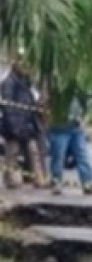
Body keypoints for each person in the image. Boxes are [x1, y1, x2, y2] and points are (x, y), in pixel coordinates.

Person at [0, 57, 46, 189]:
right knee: (12, 154)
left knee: (33, 152)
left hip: (27, 123)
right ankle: (11, 180)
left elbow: (30, 101)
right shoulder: (8, 83)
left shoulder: (25, 82)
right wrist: (14, 126)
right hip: (13, 125)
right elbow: (8, 107)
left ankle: (38, 178)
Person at [47, 83, 92, 195]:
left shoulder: (79, 86)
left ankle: (87, 182)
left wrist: (83, 117)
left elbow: (88, 101)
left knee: (82, 155)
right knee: (58, 156)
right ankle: (57, 182)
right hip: (60, 126)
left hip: (76, 126)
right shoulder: (57, 84)